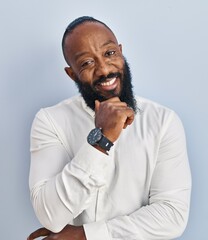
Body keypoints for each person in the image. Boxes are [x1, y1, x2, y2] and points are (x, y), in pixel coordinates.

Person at [27, 16, 192, 240]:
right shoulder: (50, 121)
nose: (104, 70)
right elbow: (50, 215)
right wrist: (101, 140)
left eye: (109, 53)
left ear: (121, 52)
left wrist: (84, 236)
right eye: (87, 63)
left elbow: (172, 216)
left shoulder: (163, 122)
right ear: (72, 74)